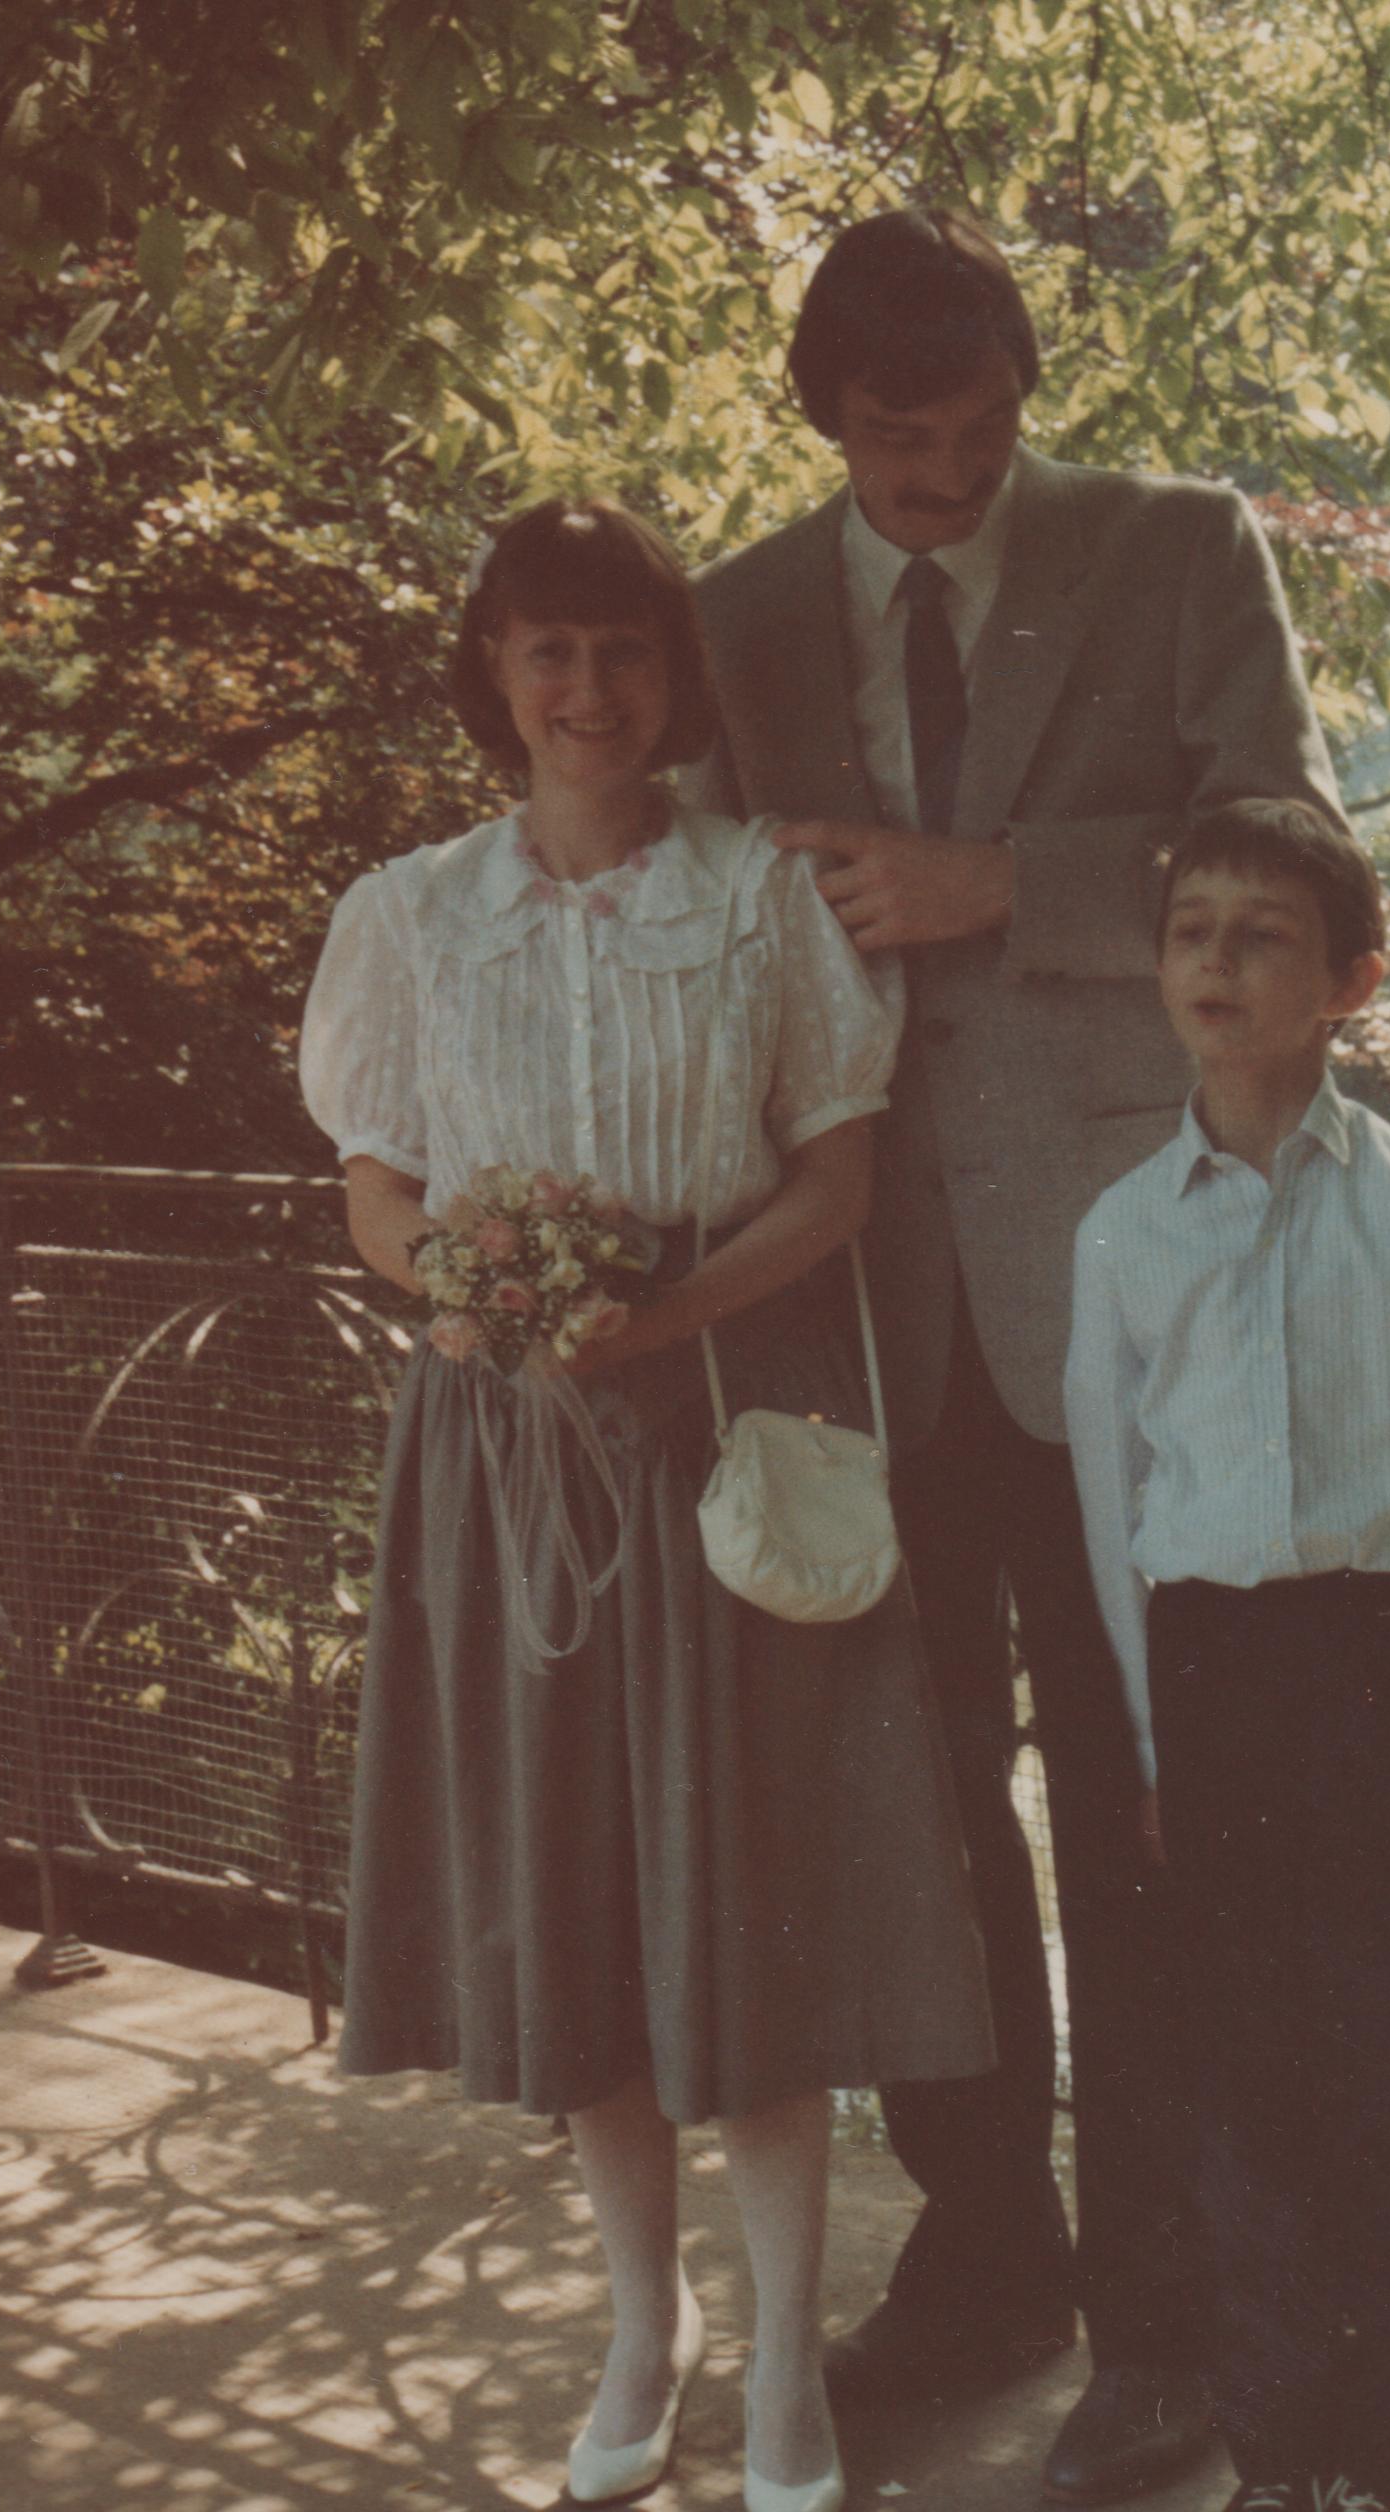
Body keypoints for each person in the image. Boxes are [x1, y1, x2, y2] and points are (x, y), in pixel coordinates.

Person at [683, 204, 1344, 2504]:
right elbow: (674, 916)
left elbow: (1289, 847)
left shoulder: (1175, 547)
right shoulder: (736, 616)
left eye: (980, 427)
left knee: (1151, 1825)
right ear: (824, 417)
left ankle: (1170, 2321)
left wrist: (1009, 888)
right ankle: (986, 2256)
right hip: (861, 1322)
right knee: (922, 1823)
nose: (948, 472)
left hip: (1140, 1309)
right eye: (901, 437)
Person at [298, 496, 995, 2512]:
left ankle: (785, 2359)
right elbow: (376, 1184)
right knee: (579, 1885)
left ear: (675, 674)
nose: (588, 689)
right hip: (507, 1445)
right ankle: (640, 2318)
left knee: (740, 1893)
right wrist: (477, 1298)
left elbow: (838, 1183)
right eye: (549, 650)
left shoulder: (762, 895)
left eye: (622, 650)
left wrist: (656, 1319)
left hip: (725, 1422)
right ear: (494, 672)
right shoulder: (411, 912)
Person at [1063, 799, 1390, 2512]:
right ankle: (1282, 2455)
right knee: (1241, 2079)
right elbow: (1111, 1513)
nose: (1216, 961)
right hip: (1205, 1674)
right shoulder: (1123, 1230)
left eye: (1263, 934)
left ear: (1349, 983)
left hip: (1374, 1663)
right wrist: (1148, 1752)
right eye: (1191, 931)